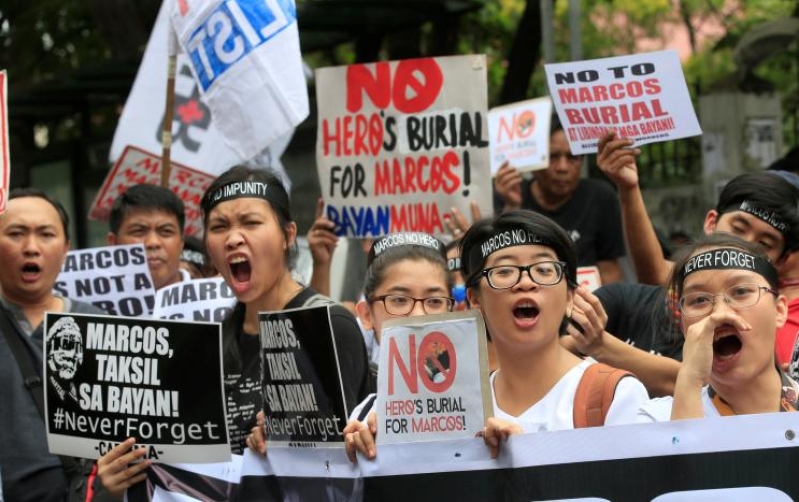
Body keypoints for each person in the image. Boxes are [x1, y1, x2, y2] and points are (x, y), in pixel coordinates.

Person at [97, 166, 372, 497]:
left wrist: (292, 445)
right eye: (219, 226)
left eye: (251, 223)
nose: (233, 238)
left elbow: (354, 459)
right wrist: (119, 476)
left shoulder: (327, 325)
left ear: (287, 235)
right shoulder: (207, 342)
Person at [344, 211, 649, 462]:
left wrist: (529, 468)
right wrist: (381, 454)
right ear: (475, 300)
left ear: (570, 295)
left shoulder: (613, 397)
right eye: (504, 272)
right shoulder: (448, 410)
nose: (526, 282)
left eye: (544, 270)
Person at [0, 188, 105, 502]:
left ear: (65, 249)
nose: (31, 247)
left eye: (46, 234)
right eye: (16, 234)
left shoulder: (101, 326)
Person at [597, 132, 799, 284]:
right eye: (737, 229)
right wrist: (629, 188)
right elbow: (655, 275)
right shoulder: (690, 281)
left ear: (782, 260)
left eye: (764, 243)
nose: (744, 247)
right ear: (711, 222)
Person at [636, 234, 797, 421]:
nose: (720, 314)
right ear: (683, 326)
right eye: (699, 300)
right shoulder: (656, 419)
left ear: (779, 310)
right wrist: (689, 380)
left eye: (741, 291)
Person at [337, 232, 454, 461]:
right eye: (399, 300)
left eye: (434, 301)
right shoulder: (361, 418)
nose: (419, 315)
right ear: (366, 315)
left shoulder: (486, 405)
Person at [493, 118, 626, 285]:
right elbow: (499, 268)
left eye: (572, 157)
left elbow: (610, 272)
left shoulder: (601, 196)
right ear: (535, 161)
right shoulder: (508, 195)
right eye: (552, 157)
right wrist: (512, 207)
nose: (562, 167)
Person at [107, 184, 187, 290]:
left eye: (166, 231)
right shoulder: (88, 304)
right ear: (113, 243)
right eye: (138, 231)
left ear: (181, 243)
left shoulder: (212, 301)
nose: (153, 242)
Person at [45, 316, 84, 404]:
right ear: (50, 347)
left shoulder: (77, 393)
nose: (73, 355)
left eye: (78, 348)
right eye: (66, 344)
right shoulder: (47, 388)